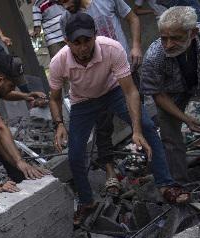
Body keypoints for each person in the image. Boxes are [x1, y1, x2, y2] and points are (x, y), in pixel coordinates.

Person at [48, 13, 189, 225]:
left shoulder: (111, 48)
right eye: (76, 43)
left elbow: (131, 91)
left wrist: (137, 129)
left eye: (87, 40)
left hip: (113, 91)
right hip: (82, 102)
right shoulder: (58, 62)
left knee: (148, 127)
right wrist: (59, 124)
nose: (83, 47)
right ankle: (87, 201)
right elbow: (55, 98)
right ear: (67, 42)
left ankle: (165, 184)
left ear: (95, 36)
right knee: (75, 154)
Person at [60, 0, 145, 196]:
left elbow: (133, 18)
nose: (64, 6)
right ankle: (110, 172)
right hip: (96, 81)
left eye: (64, 0)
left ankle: (144, 161)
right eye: (58, 2)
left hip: (123, 68)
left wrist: (136, 45)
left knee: (138, 117)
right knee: (103, 125)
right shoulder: (66, 19)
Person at [141, 6, 200, 184]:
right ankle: (179, 183)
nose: (168, 45)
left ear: (193, 33)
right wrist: (186, 119)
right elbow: (157, 94)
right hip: (170, 92)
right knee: (170, 136)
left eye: (176, 38)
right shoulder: (154, 56)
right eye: (164, 38)